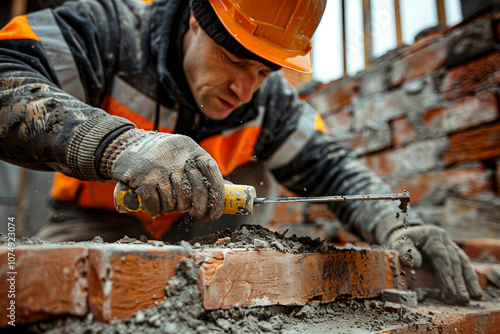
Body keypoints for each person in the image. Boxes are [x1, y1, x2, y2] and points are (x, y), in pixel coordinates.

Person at [0, 0, 482, 305]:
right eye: (234, 59)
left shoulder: (269, 103)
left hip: (210, 247)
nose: (245, 89)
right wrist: (119, 145)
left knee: (261, 167)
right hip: (95, 227)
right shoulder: (108, 33)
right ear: (195, 17)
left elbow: (334, 168)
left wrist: (397, 226)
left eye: (264, 72)